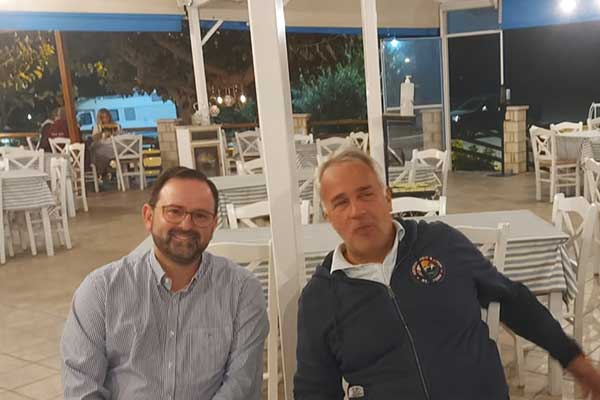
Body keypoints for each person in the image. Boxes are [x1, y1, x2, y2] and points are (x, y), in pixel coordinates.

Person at [294, 147, 600, 400]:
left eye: (366, 194)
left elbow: (513, 300)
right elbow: (313, 389)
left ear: (387, 198)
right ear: (329, 217)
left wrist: (574, 359)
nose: (357, 211)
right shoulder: (320, 298)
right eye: (341, 202)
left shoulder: (440, 242)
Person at [61, 166, 269, 400]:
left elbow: (241, 384)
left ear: (213, 225)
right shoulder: (101, 291)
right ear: (148, 217)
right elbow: (82, 386)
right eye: (174, 212)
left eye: (200, 215)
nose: (186, 225)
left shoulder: (242, 291)